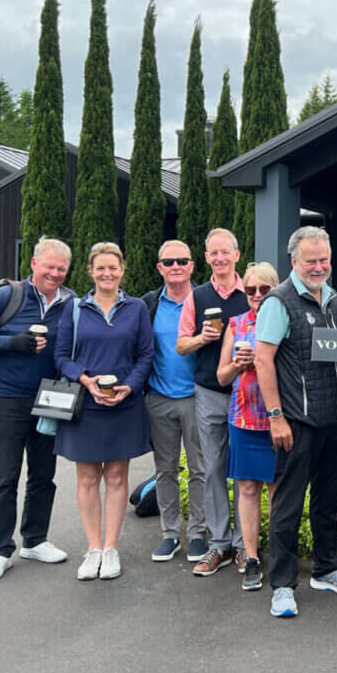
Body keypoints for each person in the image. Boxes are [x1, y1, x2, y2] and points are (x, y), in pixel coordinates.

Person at [254, 226, 337, 618]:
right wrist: (276, 416)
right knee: (287, 505)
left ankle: (327, 570)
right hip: (295, 422)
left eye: (323, 260)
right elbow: (263, 359)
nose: (318, 267)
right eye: (310, 261)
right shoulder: (278, 301)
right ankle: (282, 586)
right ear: (294, 261)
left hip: (333, 419)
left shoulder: (332, 298)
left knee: (327, 501)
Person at [0, 237, 75, 581]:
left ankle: (35, 540)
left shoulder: (71, 303)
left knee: (43, 474)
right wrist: (11, 342)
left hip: (50, 397)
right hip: (5, 397)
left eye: (61, 269)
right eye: (49, 266)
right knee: (4, 476)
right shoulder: (7, 296)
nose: (54, 274)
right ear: (34, 264)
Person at [54, 243, 154, 581]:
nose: (107, 273)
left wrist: (130, 386)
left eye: (113, 267)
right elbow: (61, 357)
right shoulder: (75, 309)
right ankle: (93, 548)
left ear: (122, 270)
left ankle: (111, 548)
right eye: (101, 268)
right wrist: (85, 379)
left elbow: (146, 355)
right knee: (87, 478)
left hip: (123, 404)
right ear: (91, 271)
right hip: (87, 405)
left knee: (116, 477)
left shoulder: (136, 308)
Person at [176, 228, 248, 577]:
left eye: (225, 252)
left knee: (244, 471)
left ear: (237, 255)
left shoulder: (252, 293)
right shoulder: (197, 296)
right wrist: (200, 339)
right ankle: (219, 543)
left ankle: (244, 544)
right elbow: (180, 345)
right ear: (206, 259)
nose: (220, 258)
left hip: (246, 394)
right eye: (213, 253)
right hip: (209, 393)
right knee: (214, 468)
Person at [141, 240, 207, 563]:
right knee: (165, 471)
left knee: (200, 470)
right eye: (169, 262)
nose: (176, 266)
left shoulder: (204, 301)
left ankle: (197, 534)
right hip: (159, 398)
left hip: (197, 398)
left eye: (182, 260)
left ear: (192, 265)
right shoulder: (149, 304)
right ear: (160, 268)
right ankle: (169, 535)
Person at [216, 261, 280, 592]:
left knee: (277, 488)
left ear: (275, 289)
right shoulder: (236, 323)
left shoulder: (284, 320)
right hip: (243, 418)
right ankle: (252, 557)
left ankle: (281, 554)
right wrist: (237, 366)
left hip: (277, 418)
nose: (257, 295)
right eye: (251, 290)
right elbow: (221, 376)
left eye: (264, 289)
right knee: (248, 489)